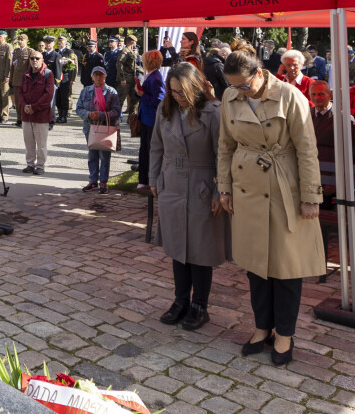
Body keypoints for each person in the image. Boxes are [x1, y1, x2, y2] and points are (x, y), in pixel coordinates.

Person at [217, 50, 324, 366]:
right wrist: (224, 187)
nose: (241, 91)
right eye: (234, 86)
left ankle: (285, 334)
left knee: (286, 268)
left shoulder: (290, 96)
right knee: (256, 266)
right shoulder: (230, 96)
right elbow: (225, 145)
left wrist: (310, 197)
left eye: (244, 85)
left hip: (283, 187)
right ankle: (262, 327)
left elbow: (307, 150)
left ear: (259, 73)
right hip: (247, 187)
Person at [151, 63, 228, 331]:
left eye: (181, 92)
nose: (177, 96)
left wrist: (220, 190)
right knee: (177, 247)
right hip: (172, 183)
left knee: (200, 250)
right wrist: (153, 178)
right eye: (173, 91)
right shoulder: (166, 109)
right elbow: (156, 146)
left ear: (194, 87)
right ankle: (181, 301)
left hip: (201, 185)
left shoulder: (213, 112)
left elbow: (223, 154)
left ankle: (200, 306)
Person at [77, 65, 121, 193]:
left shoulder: (111, 92)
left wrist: (101, 115)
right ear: (92, 77)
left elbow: (116, 111)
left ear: (105, 76)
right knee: (92, 155)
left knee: (104, 156)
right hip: (90, 128)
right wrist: (88, 114)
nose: (98, 77)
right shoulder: (85, 91)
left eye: (100, 75)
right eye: (95, 75)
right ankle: (93, 181)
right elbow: (79, 108)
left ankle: (103, 183)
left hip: (105, 128)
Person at [18, 50, 54, 175]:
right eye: (32, 58)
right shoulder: (25, 75)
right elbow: (20, 92)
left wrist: (34, 107)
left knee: (41, 143)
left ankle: (40, 166)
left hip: (41, 115)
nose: (34, 60)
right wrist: (24, 105)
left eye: (37, 58)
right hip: (26, 114)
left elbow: (48, 95)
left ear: (42, 60)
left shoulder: (48, 74)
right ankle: (30, 164)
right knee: (28, 142)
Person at [136, 50, 167, 190]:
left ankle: (148, 180)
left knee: (149, 150)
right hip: (147, 117)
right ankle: (144, 179)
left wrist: (142, 94)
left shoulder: (156, 78)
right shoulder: (152, 76)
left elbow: (159, 100)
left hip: (151, 119)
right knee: (145, 149)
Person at [308, 80, 353, 165]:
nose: (317, 97)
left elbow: (349, 149)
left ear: (330, 95)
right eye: (313, 94)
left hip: (333, 167)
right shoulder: (304, 115)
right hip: (309, 165)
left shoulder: (343, 119)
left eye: (321, 94)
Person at [54, 37, 78, 123]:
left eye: (62, 41)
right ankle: (60, 115)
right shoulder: (56, 51)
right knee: (57, 98)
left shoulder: (69, 52)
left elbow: (73, 66)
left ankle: (64, 116)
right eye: (59, 41)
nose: (60, 42)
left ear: (65, 42)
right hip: (56, 78)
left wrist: (73, 78)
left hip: (65, 78)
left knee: (64, 97)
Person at [10, 33, 30, 126]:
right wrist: (11, 79)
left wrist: (29, 81)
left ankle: (24, 119)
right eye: (19, 40)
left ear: (26, 41)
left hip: (24, 81)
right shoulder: (16, 51)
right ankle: (19, 119)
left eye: (22, 40)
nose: (20, 41)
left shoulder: (29, 51)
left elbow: (30, 68)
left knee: (24, 101)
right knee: (17, 101)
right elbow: (13, 66)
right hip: (16, 80)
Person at [118, 36, 140, 118]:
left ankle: (131, 118)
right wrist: (122, 78)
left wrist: (143, 71)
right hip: (125, 80)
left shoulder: (130, 51)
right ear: (132, 42)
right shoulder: (125, 51)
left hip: (132, 80)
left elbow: (132, 66)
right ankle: (116, 119)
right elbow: (119, 64)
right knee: (120, 100)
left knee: (135, 99)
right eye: (135, 42)